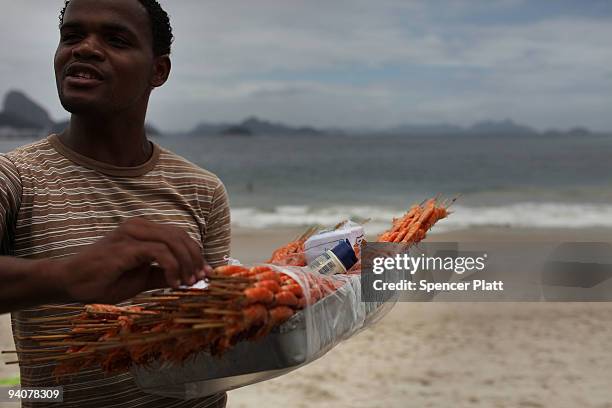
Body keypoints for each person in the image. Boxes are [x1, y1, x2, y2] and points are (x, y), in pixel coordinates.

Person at [0, 0, 231, 407]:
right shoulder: (16, 177)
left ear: (158, 71)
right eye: (71, 36)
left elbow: (218, 325)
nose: (84, 48)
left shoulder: (202, 190)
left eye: (115, 39)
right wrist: (64, 276)